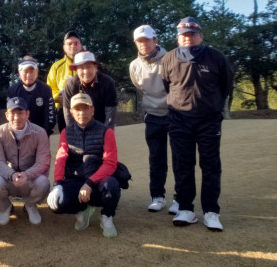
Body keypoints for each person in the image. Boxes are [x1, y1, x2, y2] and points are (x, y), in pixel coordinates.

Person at [161, 17, 234, 232]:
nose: (188, 38)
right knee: (182, 164)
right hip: (179, 120)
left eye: (192, 34)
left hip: (209, 121)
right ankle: (186, 209)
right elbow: (167, 85)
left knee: (210, 165)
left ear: (200, 36)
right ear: (178, 38)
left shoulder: (216, 57)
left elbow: (226, 86)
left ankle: (211, 211)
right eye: (183, 35)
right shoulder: (169, 58)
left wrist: (212, 107)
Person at [47, 93, 121, 237]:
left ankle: (107, 216)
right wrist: (57, 184)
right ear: (71, 112)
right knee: (57, 204)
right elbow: (61, 158)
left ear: (92, 110)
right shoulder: (66, 132)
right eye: (77, 109)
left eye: (86, 108)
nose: (82, 113)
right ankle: (83, 209)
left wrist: (89, 183)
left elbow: (110, 163)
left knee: (112, 186)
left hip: (98, 180)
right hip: (75, 178)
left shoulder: (106, 132)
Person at [129, 25, 178, 215]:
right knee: (156, 158)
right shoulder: (134, 65)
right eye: (140, 41)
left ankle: (180, 198)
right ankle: (157, 196)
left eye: (147, 40)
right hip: (153, 116)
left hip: (175, 113)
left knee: (179, 157)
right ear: (136, 44)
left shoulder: (170, 59)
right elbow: (141, 87)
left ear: (155, 40)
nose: (144, 44)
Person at [0, 97, 51, 225]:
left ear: (27, 114)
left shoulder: (40, 132)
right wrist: (11, 174)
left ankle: (30, 206)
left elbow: (43, 162)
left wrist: (27, 174)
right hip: (9, 177)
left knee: (44, 183)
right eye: (13, 113)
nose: (17, 117)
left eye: (20, 113)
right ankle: (5, 207)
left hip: (30, 179)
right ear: (7, 115)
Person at [62, 51, 118, 128]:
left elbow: (110, 112)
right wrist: (73, 131)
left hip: (101, 125)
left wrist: (106, 132)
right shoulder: (70, 85)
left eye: (89, 67)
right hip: (79, 127)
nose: (86, 71)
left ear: (95, 67)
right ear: (76, 70)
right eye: (81, 68)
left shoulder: (107, 83)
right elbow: (68, 113)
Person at [6, 56, 56, 135]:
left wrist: (44, 133)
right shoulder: (13, 90)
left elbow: (50, 116)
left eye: (32, 71)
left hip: (41, 132)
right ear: (19, 73)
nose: (29, 75)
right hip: (19, 133)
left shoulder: (45, 89)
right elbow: (10, 115)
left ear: (37, 72)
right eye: (25, 72)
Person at [47, 31, 83, 133]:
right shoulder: (56, 67)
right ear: (64, 47)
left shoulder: (87, 65)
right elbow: (50, 87)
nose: (73, 46)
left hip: (85, 108)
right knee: (66, 138)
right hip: (63, 109)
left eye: (76, 43)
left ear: (80, 45)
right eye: (69, 43)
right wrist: (56, 97)